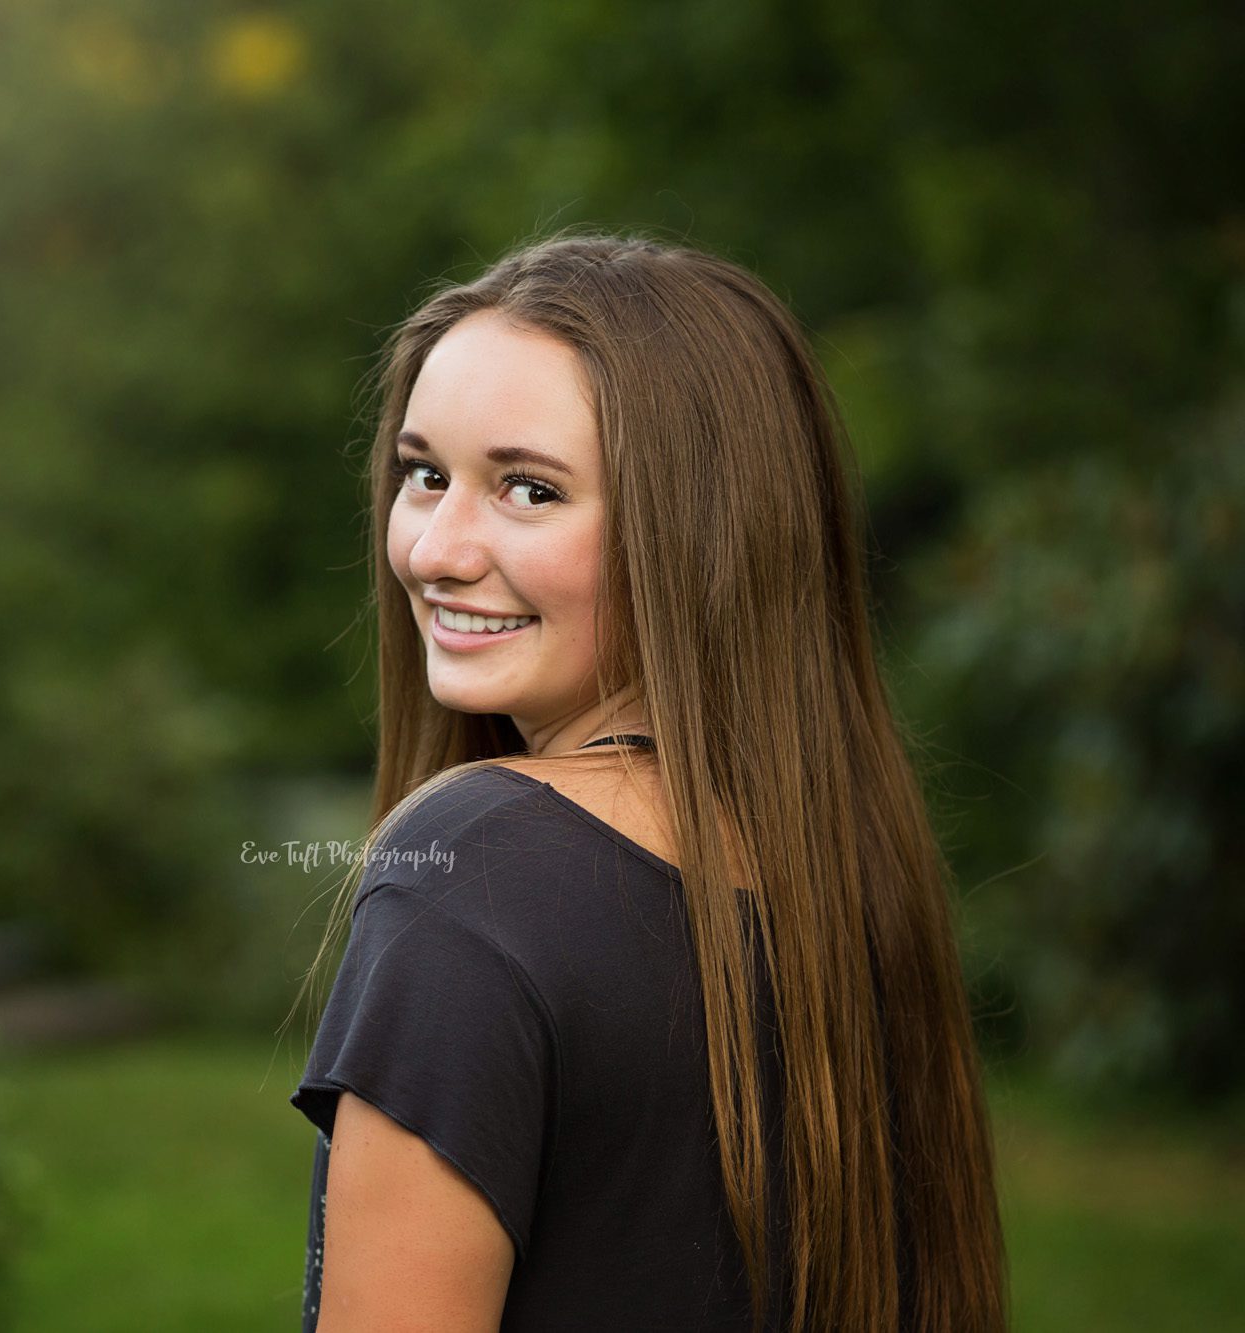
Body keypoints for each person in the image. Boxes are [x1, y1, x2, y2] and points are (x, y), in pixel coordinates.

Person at [286, 230, 1006, 1332]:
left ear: (700, 539)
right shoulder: (850, 874)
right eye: (424, 474)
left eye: (526, 490)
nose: (434, 549)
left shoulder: (472, 878)